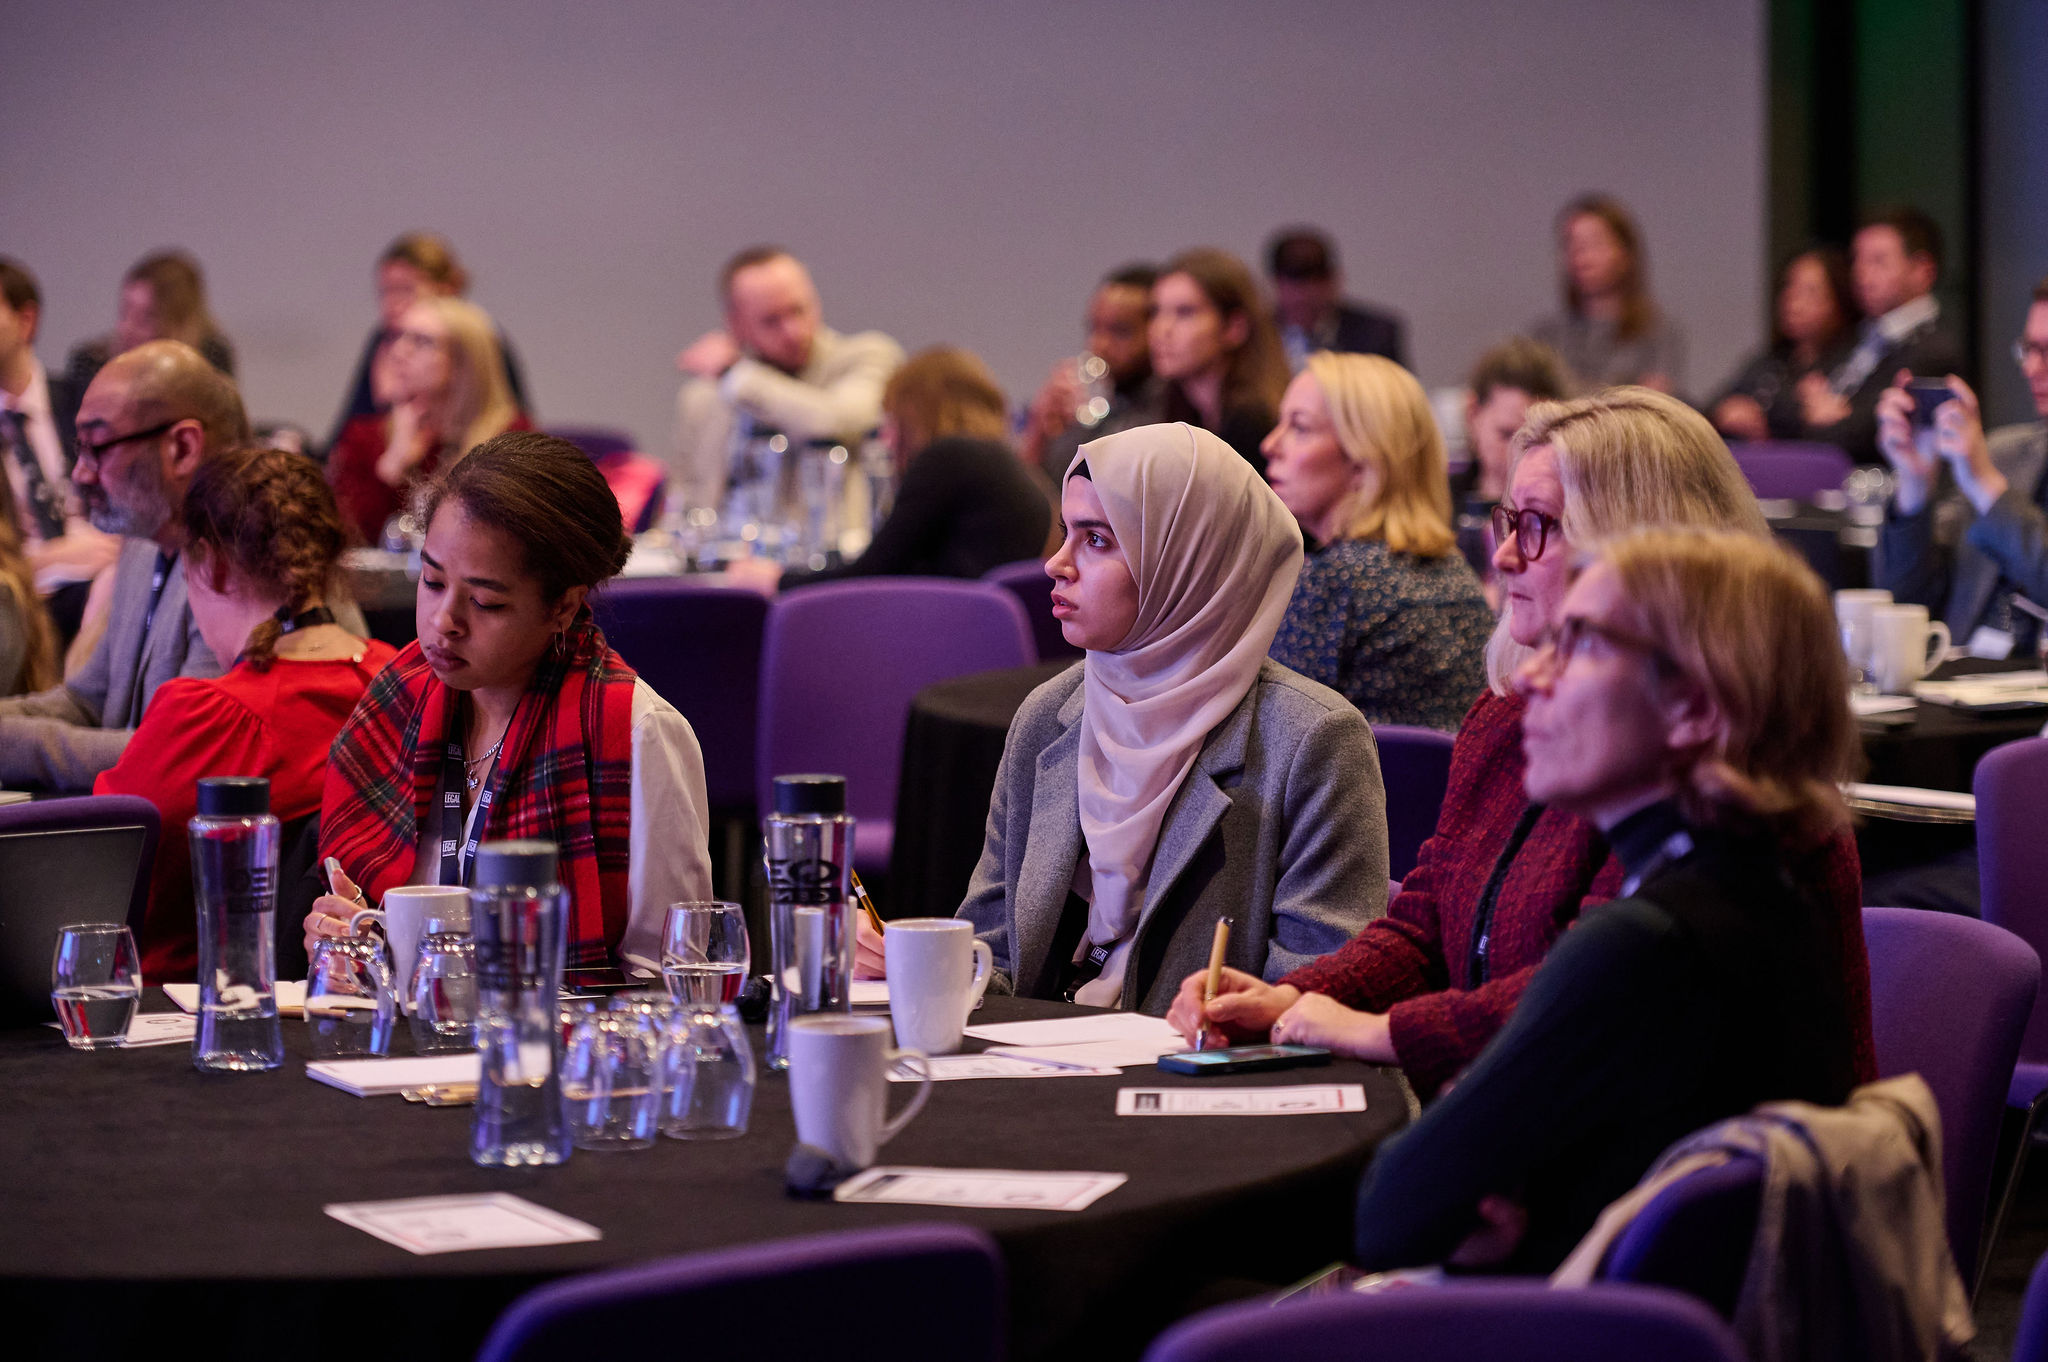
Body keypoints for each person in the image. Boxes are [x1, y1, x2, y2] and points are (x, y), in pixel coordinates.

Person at [1168, 387, 1875, 1099]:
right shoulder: (1506, 718)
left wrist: (1379, 1033)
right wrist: (1297, 996)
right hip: (1535, 1105)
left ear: (1639, 547)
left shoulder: (1712, 772)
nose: (1504, 556)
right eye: (1507, 521)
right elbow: (1427, 927)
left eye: (1538, 525)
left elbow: (1596, 991)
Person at [1348, 528, 1860, 1274]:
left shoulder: (1645, 945)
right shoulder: (1767, 892)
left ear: (1693, 708)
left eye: (1581, 644)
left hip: (1574, 1322)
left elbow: (1388, 1213)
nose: (1531, 678)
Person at [856, 422, 1389, 1012]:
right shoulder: (1049, 718)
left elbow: (1315, 1001)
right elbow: (995, 961)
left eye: (1097, 540)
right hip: (1040, 1057)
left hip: (1197, 1067)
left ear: (1186, 562)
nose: (1057, 564)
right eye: (1066, 533)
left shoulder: (1313, 741)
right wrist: (906, 965)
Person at [306, 431, 714, 973]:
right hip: (405, 1022)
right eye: (431, 580)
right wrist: (347, 944)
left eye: (485, 602)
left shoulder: (635, 730)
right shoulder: (397, 697)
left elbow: (670, 972)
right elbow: (363, 915)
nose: (444, 622)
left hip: (560, 1026)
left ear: (562, 607)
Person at [93, 447, 398, 981]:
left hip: (183, 1003)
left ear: (208, 563)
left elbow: (97, 873)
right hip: (339, 992)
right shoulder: (398, 684)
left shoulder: (205, 718)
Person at [0, 340, 241, 789]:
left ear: (183, 447)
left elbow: (174, 755)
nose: (80, 474)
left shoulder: (246, 564)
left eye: (98, 446)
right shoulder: (142, 545)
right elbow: (85, 704)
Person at [1264, 353, 1492, 732]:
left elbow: (1272, 742)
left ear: (1362, 460)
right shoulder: (1457, 572)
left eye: (1299, 427)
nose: (1270, 444)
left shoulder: (1333, 583)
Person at [728, 347, 1050, 593]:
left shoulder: (948, 457)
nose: (886, 438)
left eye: (892, 420)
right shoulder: (994, 462)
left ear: (915, 413)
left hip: (953, 637)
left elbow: (873, 574)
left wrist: (776, 580)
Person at [1875, 276, 2048, 658]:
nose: (2031, 367)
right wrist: (1915, 482)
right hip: (1963, 680)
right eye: (2029, 349)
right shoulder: (2003, 455)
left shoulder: (1986, 470)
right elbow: (1906, 600)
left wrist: (1986, 485)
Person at [671, 246, 905, 518]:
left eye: (799, 310)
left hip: (834, 545)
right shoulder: (705, 396)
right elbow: (682, 503)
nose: (793, 332)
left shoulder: (868, 357)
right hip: (728, 544)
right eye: (771, 320)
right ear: (736, 326)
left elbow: (833, 421)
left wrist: (736, 375)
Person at [325, 295, 528, 546]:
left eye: (421, 341)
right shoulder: (366, 435)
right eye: (396, 337)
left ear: (464, 361)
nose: (398, 352)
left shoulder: (511, 439)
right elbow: (348, 542)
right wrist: (393, 465)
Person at [0, 257, 119, 639]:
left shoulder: (85, 400)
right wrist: (46, 558)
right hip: (21, 592)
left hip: (104, 570)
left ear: (26, 320)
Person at [325, 232, 532, 451]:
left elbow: (509, 414)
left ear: (447, 289)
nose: (391, 305)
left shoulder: (480, 335)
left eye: (405, 289)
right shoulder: (380, 339)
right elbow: (342, 436)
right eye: (384, 291)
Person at [1800, 207, 1966, 465]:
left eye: (1878, 261)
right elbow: (1795, 398)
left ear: (1922, 271)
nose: (1861, 274)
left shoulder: (1934, 349)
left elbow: (1871, 433)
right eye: (1858, 260)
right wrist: (1817, 409)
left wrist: (1832, 417)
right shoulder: (1860, 334)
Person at [1018, 263, 1161, 485]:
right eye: (1094, 329)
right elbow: (1038, 494)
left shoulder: (1172, 413)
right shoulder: (1093, 411)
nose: (1099, 344)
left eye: (1120, 331)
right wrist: (1039, 430)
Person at [1150, 249, 1289, 475]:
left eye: (1185, 312)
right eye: (1156, 312)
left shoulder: (1253, 422)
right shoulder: (1185, 413)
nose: (1161, 329)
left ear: (1234, 327)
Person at [1531, 195, 1684, 394]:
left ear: (1624, 253)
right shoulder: (1545, 338)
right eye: (1571, 244)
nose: (1581, 255)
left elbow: (1651, 402)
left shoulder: (1657, 334)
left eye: (1594, 243)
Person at [1710, 247, 1859, 442]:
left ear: (1839, 300)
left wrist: (1766, 424)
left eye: (1810, 291)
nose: (1793, 301)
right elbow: (1715, 405)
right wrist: (1726, 412)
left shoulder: (1854, 363)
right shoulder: (1770, 361)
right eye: (1789, 287)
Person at [65, 251, 236, 393]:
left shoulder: (210, 358)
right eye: (125, 312)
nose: (127, 328)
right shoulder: (92, 362)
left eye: (146, 318)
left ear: (179, 324)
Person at [1265, 226, 1406, 371]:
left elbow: (1397, 385)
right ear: (1275, 282)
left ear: (1335, 280)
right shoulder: (1258, 333)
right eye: (1295, 284)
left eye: (1316, 281)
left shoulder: (1375, 333)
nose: (1305, 294)